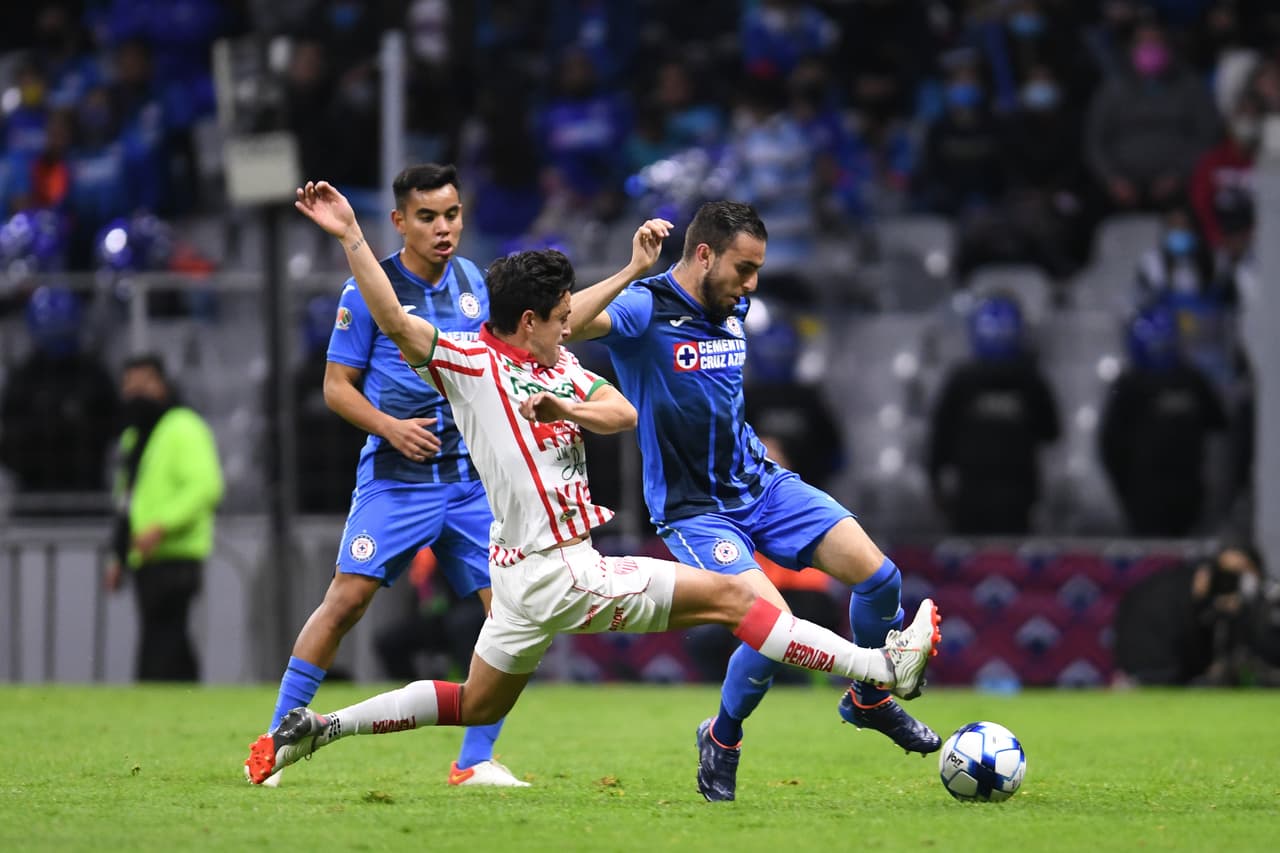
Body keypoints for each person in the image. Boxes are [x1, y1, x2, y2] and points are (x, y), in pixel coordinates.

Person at [244, 180, 940, 788]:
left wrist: (567, 406)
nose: (569, 327)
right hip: (565, 570)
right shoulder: (469, 363)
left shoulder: (555, 368)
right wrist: (352, 238)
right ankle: (882, 668)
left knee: (476, 701)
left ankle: (322, 727)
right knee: (737, 599)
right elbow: (396, 321)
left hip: (517, 576)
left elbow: (622, 410)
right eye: (559, 318)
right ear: (528, 322)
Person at [257, 163, 670, 788]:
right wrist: (388, 426)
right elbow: (336, 389)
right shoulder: (366, 291)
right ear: (399, 222)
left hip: (473, 482)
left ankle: (474, 760)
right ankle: (276, 737)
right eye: (427, 217)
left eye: (451, 214)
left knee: (512, 613)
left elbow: (559, 325)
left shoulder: (477, 283)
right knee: (346, 600)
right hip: (397, 476)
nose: (443, 228)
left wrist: (632, 270)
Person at [566, 199, 941, 804]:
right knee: (772, 627)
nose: (752, 284)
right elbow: (565, 326)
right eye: (743, 269)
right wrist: (632, 270)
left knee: (882, 581)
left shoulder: (731, 303)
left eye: (757, 270)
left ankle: (868, 699)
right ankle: (723, 735)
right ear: (705, 254)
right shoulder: (645, 306)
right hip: (696, 508)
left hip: (762, 485)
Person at [104, 354, 223, 680]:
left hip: (177, 553)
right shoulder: (136, 436)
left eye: (144, 383)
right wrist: (118, 555)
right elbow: (126, 500)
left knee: (162, 638)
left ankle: (160, 694)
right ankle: (185, 700)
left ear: (162, 384)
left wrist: (161, 526)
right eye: (129, 385)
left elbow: (205, 486)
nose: (135, 392)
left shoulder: (183, 426)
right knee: (167, 636)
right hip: (147, 556)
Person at [926, 295, 1061, 535]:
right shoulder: (1029, 379)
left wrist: (937, 483)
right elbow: (1051, 433)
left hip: (983, 495)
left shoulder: (963, 379)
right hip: (1011, 494)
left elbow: (939, 441)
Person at [1098, 305, 1228, 537]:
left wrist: (1218, 493)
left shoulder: (1192, 381)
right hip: (1146, 498)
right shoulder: (1130, 386)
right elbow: (1110, 447)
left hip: (1189, 495)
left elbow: (1220, 434)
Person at [0, 285, 118, 514]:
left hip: (90, 497)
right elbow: (8, 435)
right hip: (32, 499)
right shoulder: (23, 378)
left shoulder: (94, 375)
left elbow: (113, 428)